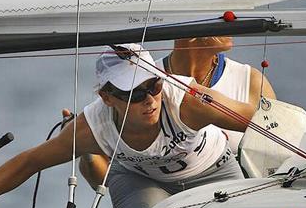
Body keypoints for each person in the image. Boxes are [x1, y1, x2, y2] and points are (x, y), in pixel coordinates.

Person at [0, 43, 260, 208]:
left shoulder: (187, 99)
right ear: (108, 98)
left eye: (154, 86)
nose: (149, 99)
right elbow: (29, 162)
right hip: (138, 180)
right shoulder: (94, 126)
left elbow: (262, 121)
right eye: (134, 93)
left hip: (212, 170)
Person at [77, 36, 276, 188]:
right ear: (189, 33)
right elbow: (105, 183)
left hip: (240, 197)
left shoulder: (251, 81)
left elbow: (281, 140)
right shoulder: (140, 80)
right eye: (221, 15)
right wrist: (85, 148)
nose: (234, 22)